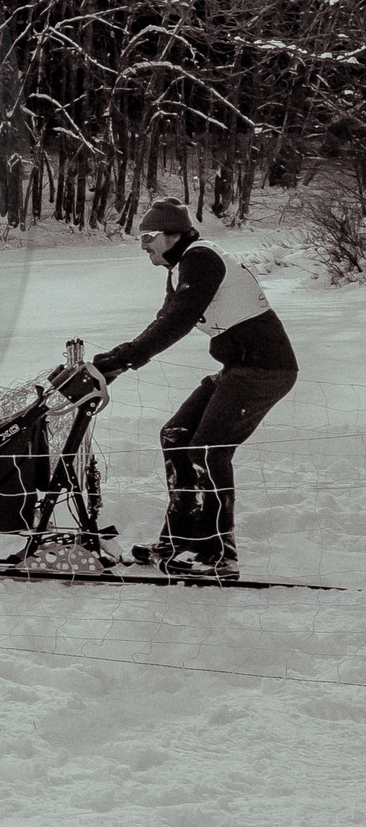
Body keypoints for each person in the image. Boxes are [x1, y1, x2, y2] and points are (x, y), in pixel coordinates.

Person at [92, 198, 298, 582]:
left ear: (174, 235)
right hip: (239, 367)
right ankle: (179, 541)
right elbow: (165, 319)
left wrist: (125, 357)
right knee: (176, 435)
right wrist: (118, 363)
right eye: (141, 238)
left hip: (265, 368)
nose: (144, 246)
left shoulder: (201, 258)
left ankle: (218, 553)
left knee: (207, 449)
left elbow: (178, 323)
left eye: (149, 237)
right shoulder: (183, 266)